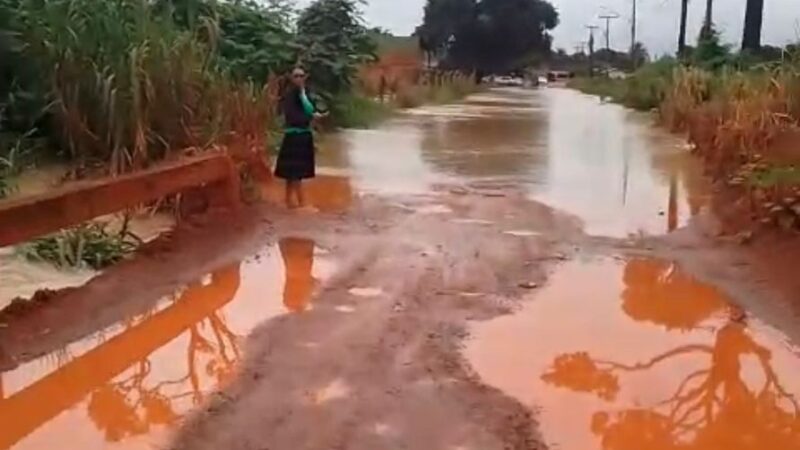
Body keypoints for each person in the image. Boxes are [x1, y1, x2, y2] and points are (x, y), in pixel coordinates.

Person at [274, 66, 327, 210]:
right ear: (292, 78)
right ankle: (300, 203)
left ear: (305, 77)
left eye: (301, 76)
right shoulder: (289, 95)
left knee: (294, 172)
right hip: (294, 135)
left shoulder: (305, 94)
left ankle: (290, 202)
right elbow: (293, 116)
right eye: (296, 76)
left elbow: (310, 109)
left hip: (303, 135)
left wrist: (313, 115)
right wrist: (310, 117)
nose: (299, 78)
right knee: (293, 172)